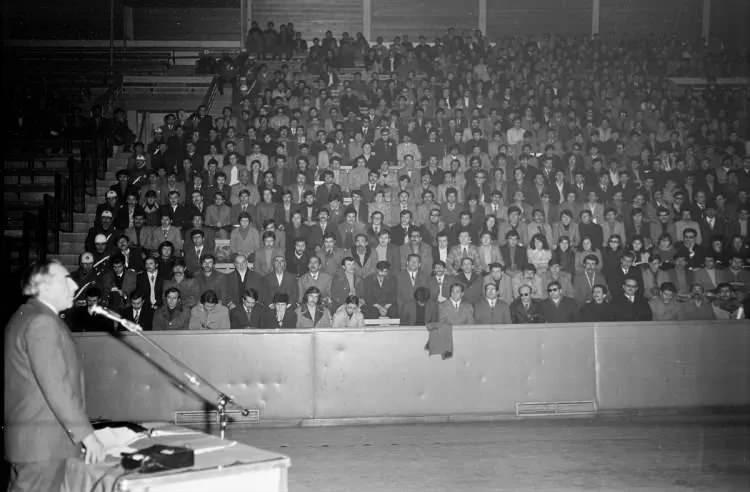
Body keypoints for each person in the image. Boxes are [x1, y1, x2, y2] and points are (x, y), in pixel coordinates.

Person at [5, 260, 106, 492]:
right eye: (66, 280)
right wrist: (87, 436)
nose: (74, 286)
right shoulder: (42, 322)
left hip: (34, 444)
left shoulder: (26, 315)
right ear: (45, 286)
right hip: (44, 446)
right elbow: (56, 386)